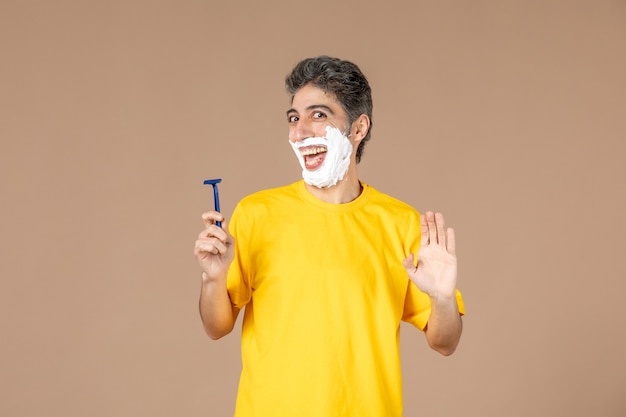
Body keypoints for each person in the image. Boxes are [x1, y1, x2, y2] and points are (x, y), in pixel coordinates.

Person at [194, 56, 465, 417]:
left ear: (358, 127)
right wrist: (213, 278)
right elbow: (216, 328)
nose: (299, 131)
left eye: (318, 115)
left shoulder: (401, 223)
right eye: (294, 118)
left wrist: (443, 298)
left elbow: (445, 343)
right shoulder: (256, 213)